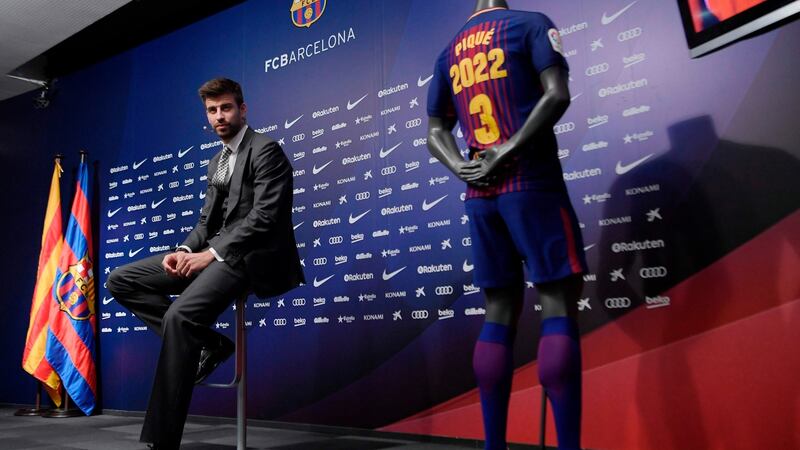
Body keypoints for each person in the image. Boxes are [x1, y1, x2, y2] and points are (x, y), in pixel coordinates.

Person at [107, 78, 304, 449]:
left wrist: (210, 255)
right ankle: (210, 344)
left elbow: (264, 217)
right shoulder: (218, 160)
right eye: (212, 111)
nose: (219, 116)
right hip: (213, 253)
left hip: (249, 258)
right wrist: (184, 250)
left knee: (178, 318)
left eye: (226, 108)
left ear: (242, 110)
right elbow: (206, 222)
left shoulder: (266, 151)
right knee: (121, 280)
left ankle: (161, 441)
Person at [426, 2, 587, 449]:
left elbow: (434, 131)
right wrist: (509, 149)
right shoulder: (531, 24)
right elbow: (557, 94)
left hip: (479, 194)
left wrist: (464, 166)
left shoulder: (449, 52)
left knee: (498, 310)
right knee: (556, 300)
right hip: (530, 181)